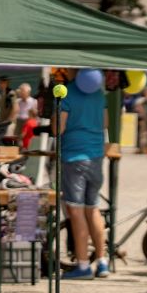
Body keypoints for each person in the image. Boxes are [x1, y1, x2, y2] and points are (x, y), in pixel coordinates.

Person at [56, 68, 109, 280]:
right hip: (96, 156)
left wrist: (55, 113)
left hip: (74, 157)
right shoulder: (99, 93)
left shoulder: (67, 92)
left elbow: (58, 128)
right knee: (93, 209)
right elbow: (105, 123)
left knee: (76, 212)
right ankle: (102, 262)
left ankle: (83, 265)